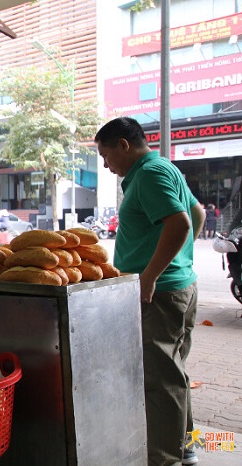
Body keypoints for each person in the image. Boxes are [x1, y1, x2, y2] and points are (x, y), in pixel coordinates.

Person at [94, 117, 205, 466]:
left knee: (160, 380)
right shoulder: (163, 168)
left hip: (160, 294)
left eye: (105, 155)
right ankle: (184, 445)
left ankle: (165, 458)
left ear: (123, 145)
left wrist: (150, 276)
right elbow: (197, 212)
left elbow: (182, 222)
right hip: (178, 286)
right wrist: (181, 258)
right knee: (174, 371)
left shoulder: (150, 175)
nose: (105, 164)